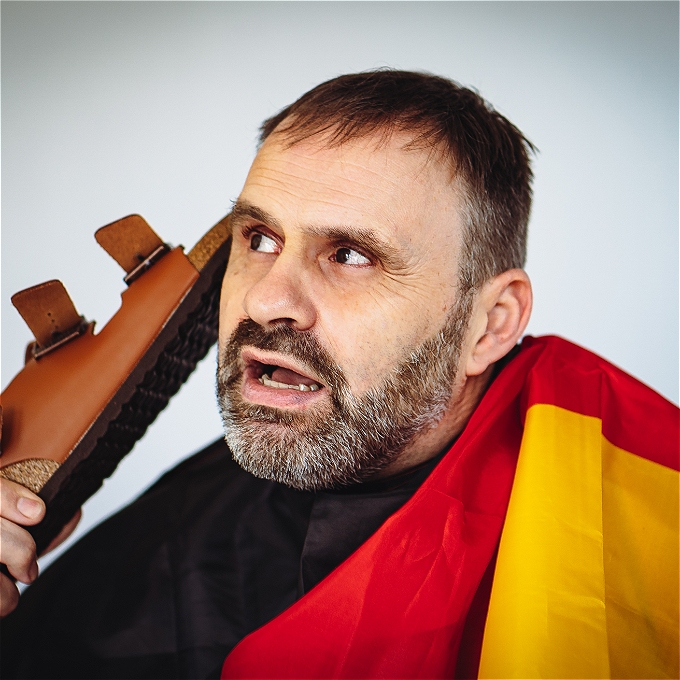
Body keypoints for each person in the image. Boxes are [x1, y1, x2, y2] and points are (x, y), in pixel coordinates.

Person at [1, 70, 677, 680]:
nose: (267, 300)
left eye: (350, 255)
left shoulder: (647, 523)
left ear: (492, 322)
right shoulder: (149, 571)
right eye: (259, 239)